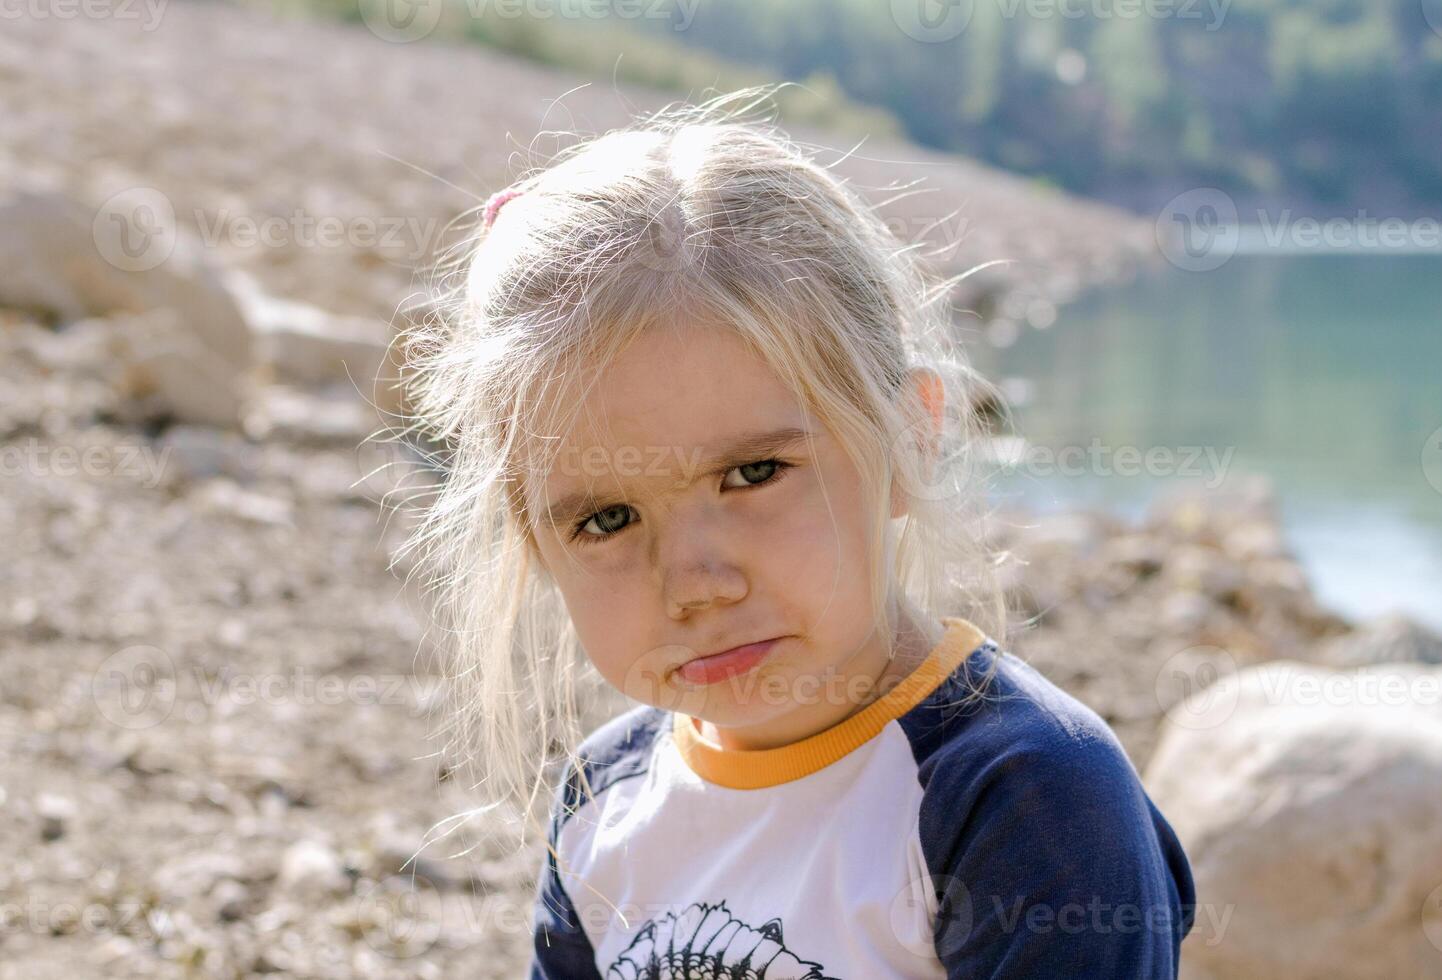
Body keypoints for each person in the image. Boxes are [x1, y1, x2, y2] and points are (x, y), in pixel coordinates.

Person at [393, 85, 1196, 978]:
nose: (695, 581)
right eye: (607, 518)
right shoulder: (602, 803)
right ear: (534, 542)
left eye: (753, 473)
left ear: (908, 440)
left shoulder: (1022, 798)